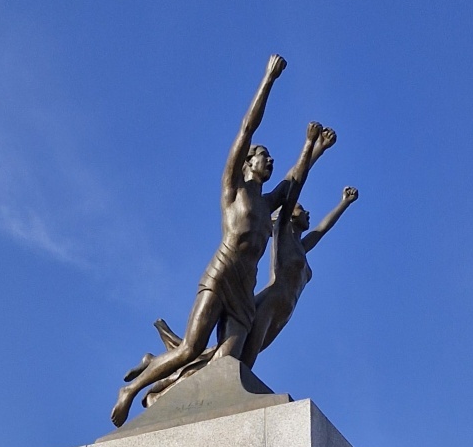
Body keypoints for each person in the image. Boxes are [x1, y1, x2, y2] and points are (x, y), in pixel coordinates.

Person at [111, 55, 327, 427]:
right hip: (222, 273)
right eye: (264, 156)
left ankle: (163, 391)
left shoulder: (268, 203)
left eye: (272, 158)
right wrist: (268, 80)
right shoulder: (234, 189)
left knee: (224, 368)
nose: (270, 160)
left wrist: (312, 149)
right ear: (247, 163)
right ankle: (130, 392)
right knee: (193, 347)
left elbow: (294, 181)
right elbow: (247, 127)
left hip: (245, 288)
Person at [241, 186, 359, 369]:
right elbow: (290, 197)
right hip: (271, 303)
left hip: (284, 310)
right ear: (289, 216)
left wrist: (344, 203)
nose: (307, 212)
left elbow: (322, 229)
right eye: (300, 208)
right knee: (244, 358)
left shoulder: (300, 247)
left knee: (248, 356)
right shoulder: (282, 234)